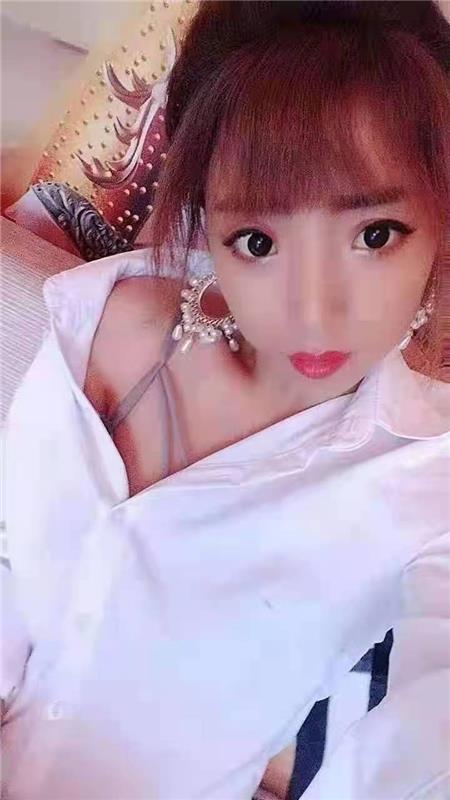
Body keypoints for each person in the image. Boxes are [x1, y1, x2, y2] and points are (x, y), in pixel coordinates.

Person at [2, 2, 450, 798]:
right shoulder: (105, 320)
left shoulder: (428, 483)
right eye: (258, 241)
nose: (313, 311)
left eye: (375, 234)